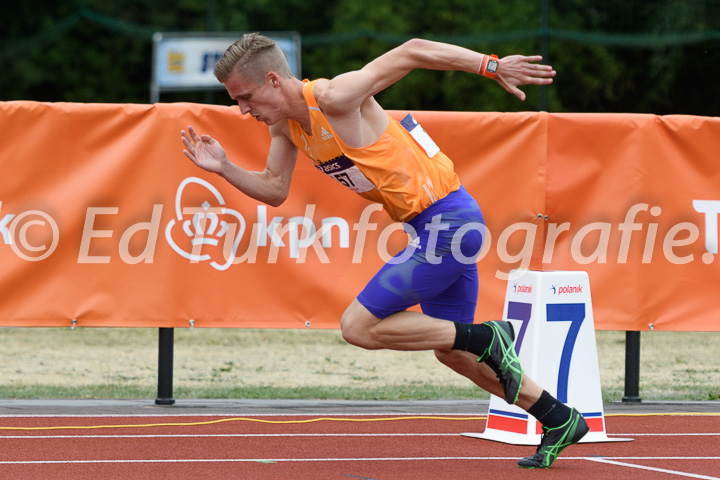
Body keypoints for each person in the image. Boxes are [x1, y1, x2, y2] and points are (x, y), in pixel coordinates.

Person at [181, 32, 589, 469]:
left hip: (448, 223)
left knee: (357, 327)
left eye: (246, 97)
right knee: (454, 353)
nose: (243, 111)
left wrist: (491, 66)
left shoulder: (335, 97)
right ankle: (556, 416)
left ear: (273, 80)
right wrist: (223, 168)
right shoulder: (287, 125)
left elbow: (412, 50)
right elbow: (275, 189)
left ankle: (490, 335)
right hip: (435, 226)